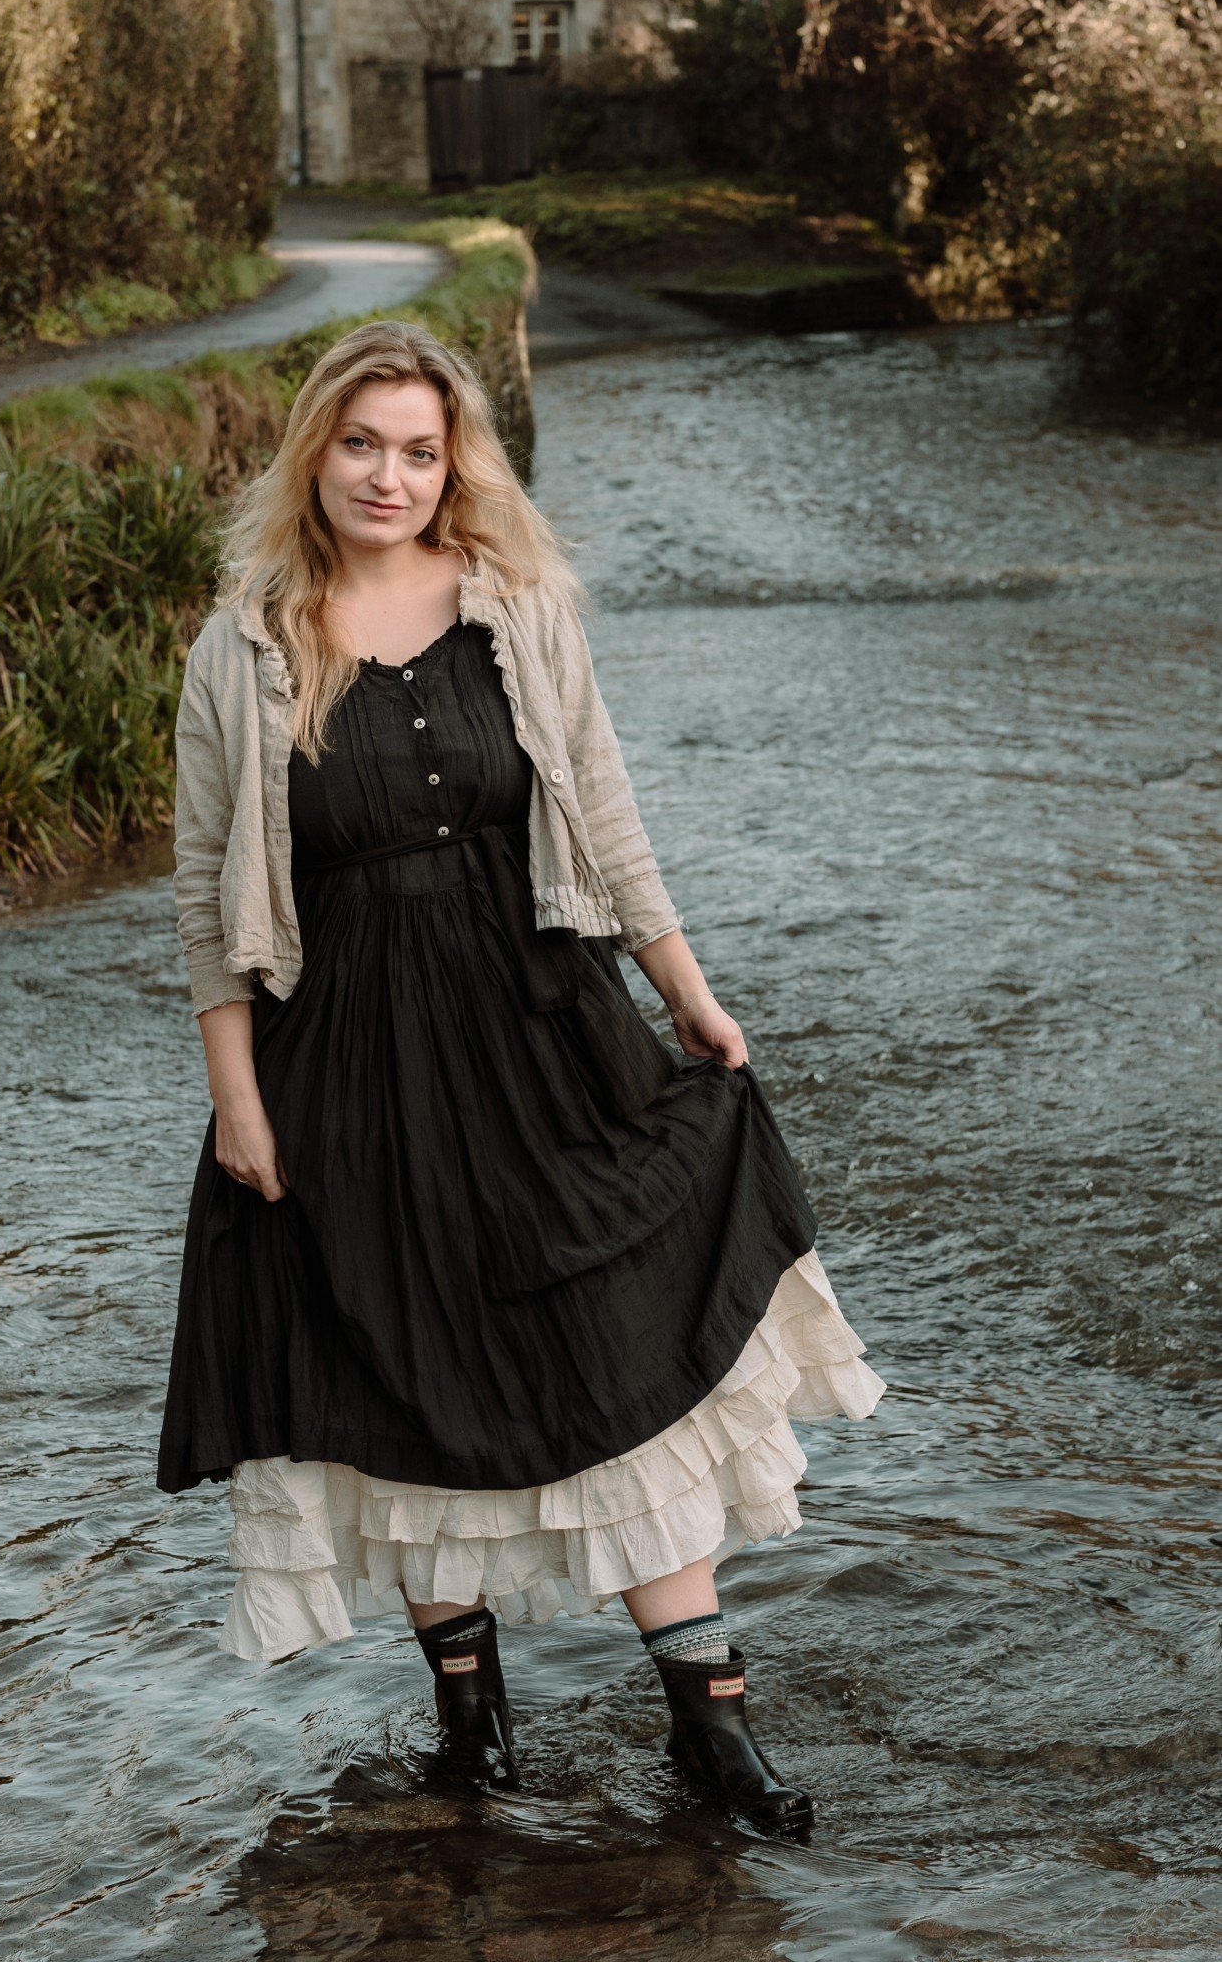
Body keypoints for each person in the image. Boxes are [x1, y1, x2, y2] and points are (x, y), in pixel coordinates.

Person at [156, 319, 885, 1831]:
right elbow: (202, 887)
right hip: (345, 1055)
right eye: (362, 443)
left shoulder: (519, 606)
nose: (389, 475)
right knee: (394, 1359)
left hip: (544, 1023)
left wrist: (687, 993)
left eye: (419, 449)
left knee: (604, 1350)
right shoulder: (240, 645)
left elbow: (605, 813)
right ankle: (470, 1729)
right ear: (316, 450)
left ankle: (711, 1727)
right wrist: (238, 1094)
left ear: (453, 465)